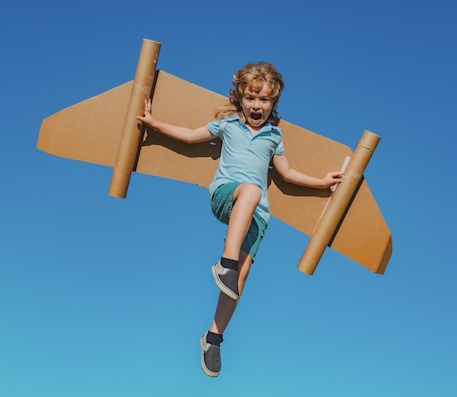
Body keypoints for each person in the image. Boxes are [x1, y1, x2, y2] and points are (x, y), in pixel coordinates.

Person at [137, 62, 342, 377]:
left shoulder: (274, 135)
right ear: (240, 98)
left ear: (273, 103)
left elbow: (286, 174)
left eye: (264, 100)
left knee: (240, 280)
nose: (257, 106)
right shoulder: (229, 124)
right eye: (251, 98)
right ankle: (225, 264)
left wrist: (321, 181)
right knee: (249, 192)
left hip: (257, 215)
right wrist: (155, 123)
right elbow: (191, 135)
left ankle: (213, 338)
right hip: (226, 195)